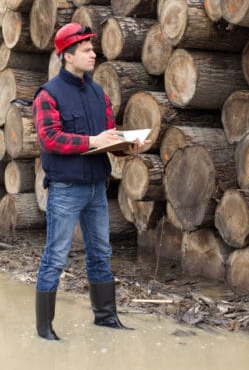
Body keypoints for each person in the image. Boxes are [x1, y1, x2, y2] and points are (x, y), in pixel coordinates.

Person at [32, 22, 150, 340]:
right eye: (86, 50)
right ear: (68, 56)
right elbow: (51, 138)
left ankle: (106, 318)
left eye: (92, 48)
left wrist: (127, 146)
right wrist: (93, 142)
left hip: (97, 186)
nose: (92, 54)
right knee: (55, 256)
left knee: (101, 253)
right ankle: (44, 329)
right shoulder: (48, 95)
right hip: (66, 189)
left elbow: (106, 138)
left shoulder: (99, 93)